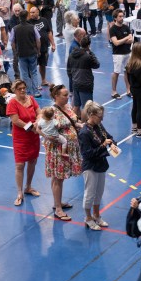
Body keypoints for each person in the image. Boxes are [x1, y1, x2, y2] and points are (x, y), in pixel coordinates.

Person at [43, 84, 82, 221]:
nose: (68, 97)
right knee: (58, 178)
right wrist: (51, 138)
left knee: (59, 178)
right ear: (56, 96)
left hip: (68, 148)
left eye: (68, 95)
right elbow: (41, 128)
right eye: (65, 95)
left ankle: (57, 202)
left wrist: (81, 125)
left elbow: (73, 122)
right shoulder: (50, 111)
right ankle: (58, 209)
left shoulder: (68, 107)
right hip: (58, 150)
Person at [78, 101, 116, 230]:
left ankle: (97, 215)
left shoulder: (99, 126)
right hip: (90, 166)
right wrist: (103, 146)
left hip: (101, 164)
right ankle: (88, 218)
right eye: (100, 116)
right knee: (90, 193)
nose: (102, 119)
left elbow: (109, 137)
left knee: (99, 192)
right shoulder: (84, 133)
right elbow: (87, 154)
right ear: (92, 115)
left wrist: (112, 143)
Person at [7, 79, 41, 206]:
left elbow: (39, 112)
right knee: (20, 165)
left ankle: (28, 187)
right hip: (21, 138)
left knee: (32, 161)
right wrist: (31, 127)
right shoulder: (12, 103)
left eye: (24, 87)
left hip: (33, 137)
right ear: (14, 90)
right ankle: (20, 192)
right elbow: (15, 120)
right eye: (19, 88)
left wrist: (37, 121)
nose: (22, 90)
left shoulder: (31, 99)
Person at [108, 9, 133, 99]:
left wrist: (122, 40)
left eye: (123, 16)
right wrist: (126, 38)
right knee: (117, 72)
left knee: (128, 72)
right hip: (118, 54)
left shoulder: (126, 27)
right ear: (115, 18)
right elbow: (116, 43)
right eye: (120, 16)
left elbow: (132, 40)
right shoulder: (112, 29)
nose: (122, 18)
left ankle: (128, 90)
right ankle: (113, 91)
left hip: (127, 53)